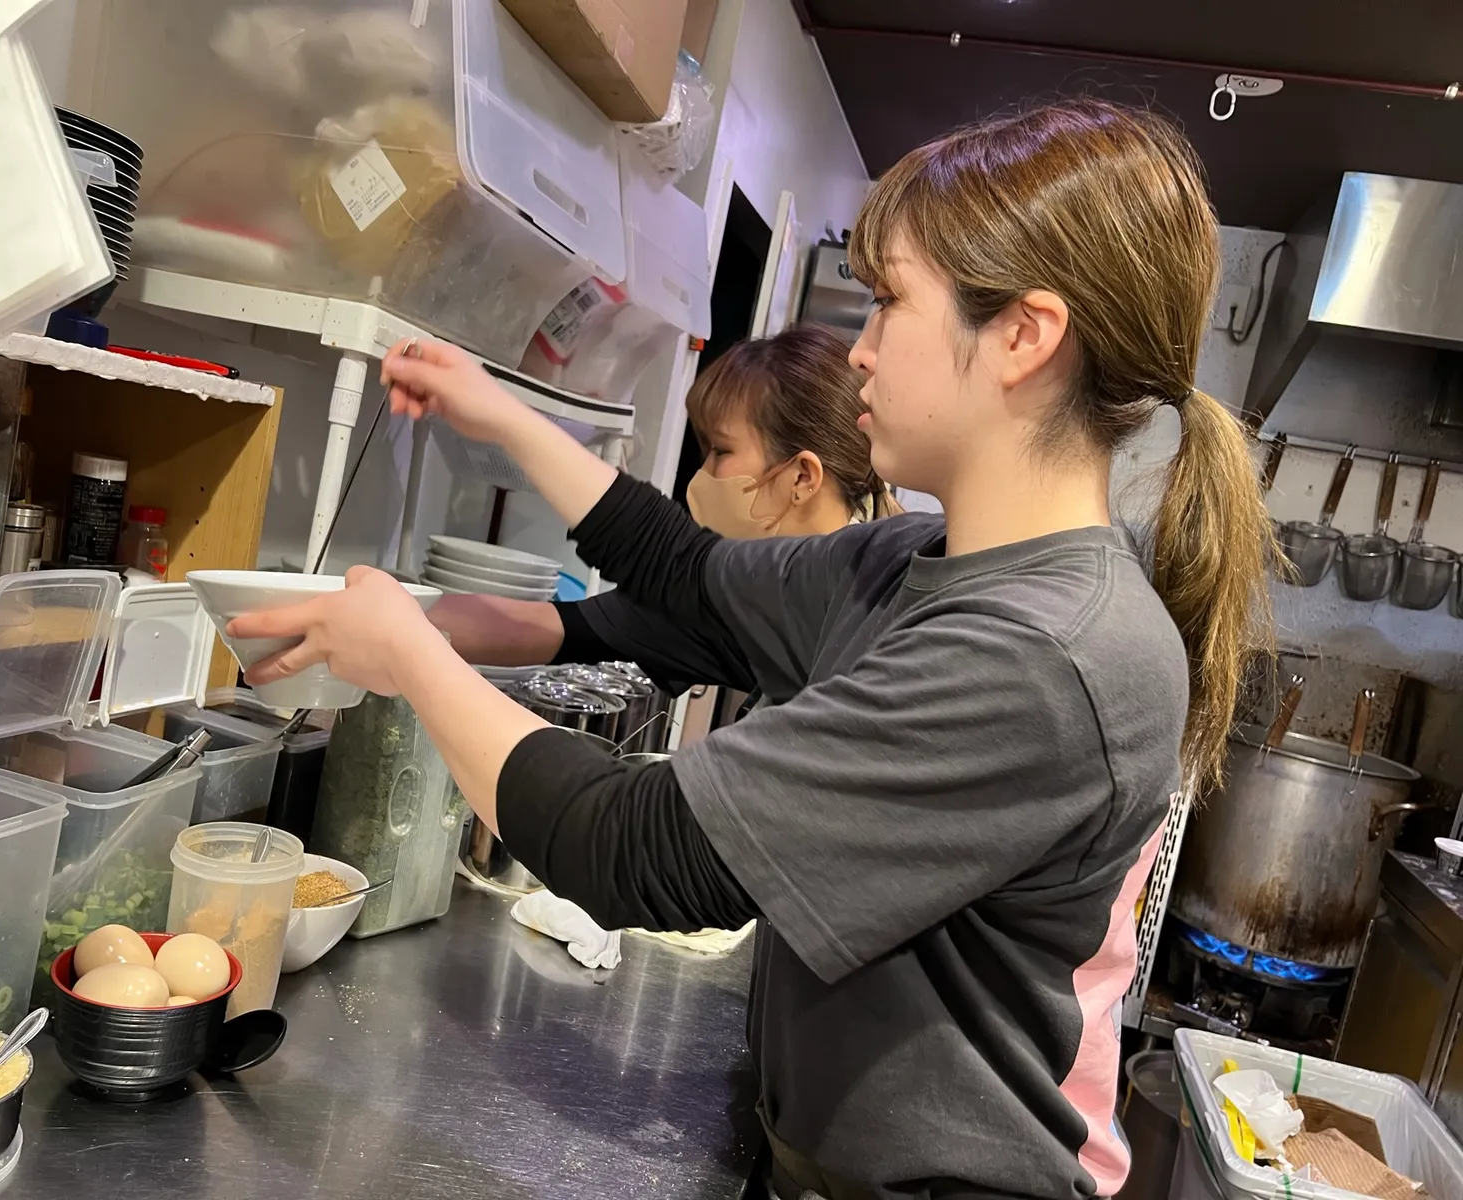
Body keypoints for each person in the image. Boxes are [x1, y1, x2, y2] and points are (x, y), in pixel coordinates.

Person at [230, 97, 1277, 1200]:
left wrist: (408, 652)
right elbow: (690, 577)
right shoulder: (913, 562)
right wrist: (500, 413)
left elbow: (634, 849)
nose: (861, 352)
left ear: (1023, 335)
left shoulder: (1044, 656)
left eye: (887, 303)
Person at [429, 322, 898, 692]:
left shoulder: (854, 610)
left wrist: (502, 415)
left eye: (720, 452)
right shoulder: (745, 599)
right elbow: (565, 628)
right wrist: (410, 622)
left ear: (802, 477)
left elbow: (654, 550)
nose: (703, 476)